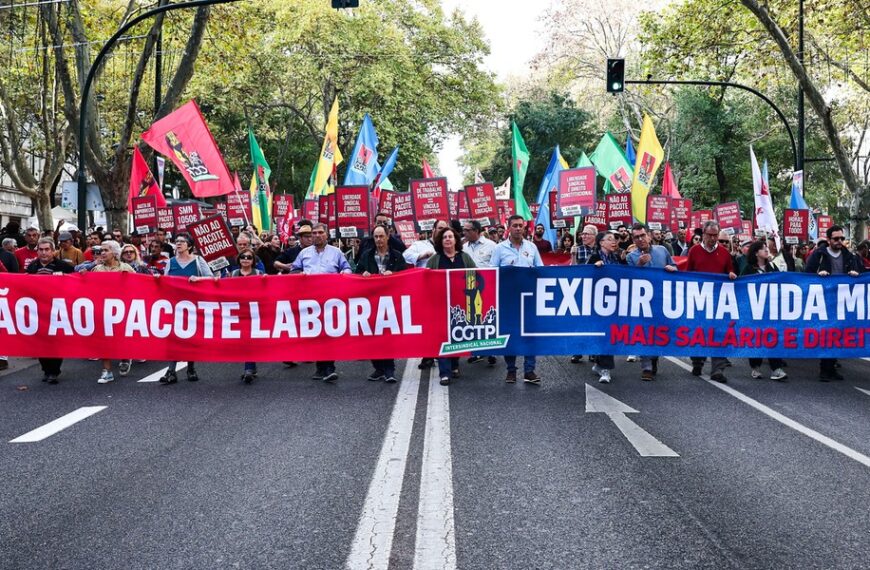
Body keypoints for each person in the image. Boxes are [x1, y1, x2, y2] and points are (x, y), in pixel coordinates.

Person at [291, 223, 352, 382]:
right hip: (310, 301)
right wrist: (300, 274)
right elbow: (294, 270)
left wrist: (343, 274)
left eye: (320, 232)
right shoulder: (304, 253)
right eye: (314, 233)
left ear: (326, 235)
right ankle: (320, 368)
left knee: (329, 333)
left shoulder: (336, 253)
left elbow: (347, 269)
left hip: (330, 300)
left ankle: (329, 367)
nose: (317, 235)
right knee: (316, 333)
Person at [490, 215, 544, 385]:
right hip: (509, 299)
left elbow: (540, 269)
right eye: (515, 225)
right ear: (509, 227)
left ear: (524, 227)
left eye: (521, 225)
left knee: (530, 334)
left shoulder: (532, 247)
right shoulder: (499, 248)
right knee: (510, 333)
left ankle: (529, 370)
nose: (518, 228)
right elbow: (492, 271)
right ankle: (511, 370)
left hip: (529, 298)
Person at [805, 225, 862, 381]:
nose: (839, 241)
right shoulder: (819, 254)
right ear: (829, 239)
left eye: (842, 238)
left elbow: (860, 271)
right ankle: (825, 369)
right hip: (824, 301)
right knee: (827, 334)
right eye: (836, 239)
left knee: (838, 334)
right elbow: (807, 273)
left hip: (843, 301)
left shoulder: (849, 255)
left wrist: (855, 274)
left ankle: (832, 366)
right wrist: (818, 274)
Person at [158, 234, 215, 385]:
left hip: (193, 305)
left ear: (189, 245)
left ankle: (191, 368)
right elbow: (165, 281)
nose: (178, 244)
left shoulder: (198, 260)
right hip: (175, 305)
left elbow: (211, 278)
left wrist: (198, 279)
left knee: (190, 336)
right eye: (177, 241)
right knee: (173, 337)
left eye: (182, 242)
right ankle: (171, 371)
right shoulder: (170, 262)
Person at [356, 225, 409, 383]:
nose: (378, 240)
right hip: (371, 302)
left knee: (387, 336)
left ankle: (389, 369)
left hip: (390, 302)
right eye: (376, 237)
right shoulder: (367, 255)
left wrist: (393, 274)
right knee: (372, 336)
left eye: (381, 236)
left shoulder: (397, 256)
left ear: (388, 237)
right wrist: (362, 274)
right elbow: (357, 272)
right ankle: (378, 368)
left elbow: (405, 275)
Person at [685, 220, 737, 383]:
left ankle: (718, 369)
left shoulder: (724, 253)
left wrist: (731, 274)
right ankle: (697, 362)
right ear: (703, 235)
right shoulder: (694, 251)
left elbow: (730, 270)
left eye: (715, 235)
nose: (713, 239)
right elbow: (688, 273)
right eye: (710, 235)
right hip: (699, 299)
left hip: (719, 301)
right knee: (699, 332)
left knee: (720, 334)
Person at [626, 223, 678, 381]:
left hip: (661, 299)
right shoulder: (631, 257)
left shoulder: (662, 250)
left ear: (648, 235)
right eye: (636, 237)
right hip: (642, 301)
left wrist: (673, 269)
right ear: (633, 239)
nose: (640, 239)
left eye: (642, 235)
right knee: (644, 332)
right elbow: (629, 279)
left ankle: (653, 358)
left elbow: (675, 267)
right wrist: (640, 264)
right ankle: (646, 366)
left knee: (658, 332)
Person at [426, 226, 476, 386]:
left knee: (457, 335)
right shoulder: (435, 259)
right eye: (444, 237)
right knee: (443, 337)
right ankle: (444, 372)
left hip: (461, 304)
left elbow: (475, 275)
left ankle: (454, 364)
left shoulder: (465, 257)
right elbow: (426, 280)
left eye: (450, 237)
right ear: (440, 242)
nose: (447, 239)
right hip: (440, 305)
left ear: (456, 240)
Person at [738, 241, 788, 381]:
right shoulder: (749, 269)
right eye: (763, 249)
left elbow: (782, 282)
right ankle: (755, 366)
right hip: (755, 310)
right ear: (756, 253)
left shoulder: (772, 267)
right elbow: (741, 285)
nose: (767, 250)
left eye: (767, 248)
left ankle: (776, 368)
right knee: (757, 338)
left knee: (773, 337)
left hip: (771, 310)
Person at [26, 237, 74, 383]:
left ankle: (54, 371)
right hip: (38, 312)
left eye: (47, 249)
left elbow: (74, 283)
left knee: (55, 341)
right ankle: (46, 370)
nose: (44, 252)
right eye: (41, 250)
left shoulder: (63, 266)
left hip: (57, 310)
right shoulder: (32, 267)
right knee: (40, 342)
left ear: (53, 251)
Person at [90, 241, 135, 383]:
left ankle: (125, 356)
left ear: (114, 253)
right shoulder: (97, 269)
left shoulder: (126, 268)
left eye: (105, 250)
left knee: (121, 337)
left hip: (122, 309)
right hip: (103, 310)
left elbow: (138, 286)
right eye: (101, 250)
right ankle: (107, 371)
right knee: (104, 340)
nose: (102, 253)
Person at [587, 231, 625, 383]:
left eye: (615, 239)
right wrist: (594, 268)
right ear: (601, 243)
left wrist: (624, 262)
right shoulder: (595, 257)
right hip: (598, 305)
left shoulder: (617, 258)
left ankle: (599, 364)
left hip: (615, 303)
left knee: (609, 334)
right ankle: (605, 369)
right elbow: (585, 276)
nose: (613, 241)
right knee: (604, 334)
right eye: (609, 239)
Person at [231, 247, 262, 383]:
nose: (245, 259)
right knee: (244, 341)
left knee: (250, 339)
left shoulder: (258, 273)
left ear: (253, 260)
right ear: (239, 259)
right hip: (237, 312)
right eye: (243, 256)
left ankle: (248, 368)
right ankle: (251, 367)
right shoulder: (233, 274)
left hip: (254, 312)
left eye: (249, 257)